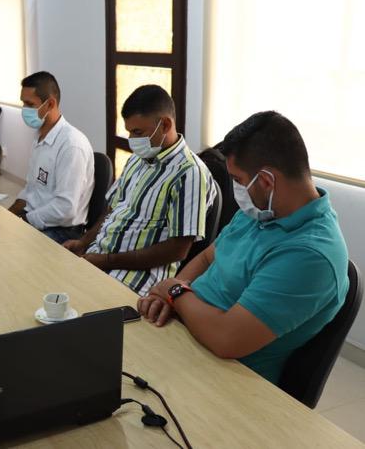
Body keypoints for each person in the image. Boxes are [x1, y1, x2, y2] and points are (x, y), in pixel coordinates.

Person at [137, 111, 348, 384]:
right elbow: (207, 257)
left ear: (267, 181)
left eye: (237, 180)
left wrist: (175, 291)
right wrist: (173, 294)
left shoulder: (310, 256)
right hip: (185, 338)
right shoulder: (263, 211)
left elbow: (227, 340)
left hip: (225, 378)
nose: (236, 189)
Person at [63, 85, 216, 296]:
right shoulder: (138, 159)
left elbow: (178, 249)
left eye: (138, 132)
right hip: (99, 257)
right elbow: (112, 209)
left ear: (165, 124)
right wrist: (84, 242)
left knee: (80, 310)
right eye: (129, 132)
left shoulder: (189, 173)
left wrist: (108, 261)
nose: (132, 140)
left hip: (136, 276)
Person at [8, 71, 94, 243]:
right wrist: (7, 215)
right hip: (37, 218)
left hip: (62, 231)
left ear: (50, 104)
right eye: (22, 103)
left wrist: (25, 221)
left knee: (11, 252)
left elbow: (65, 208)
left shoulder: (71, 145)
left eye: (29, 104)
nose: (24, 109)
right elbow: (31, 189)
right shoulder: (40, 136)